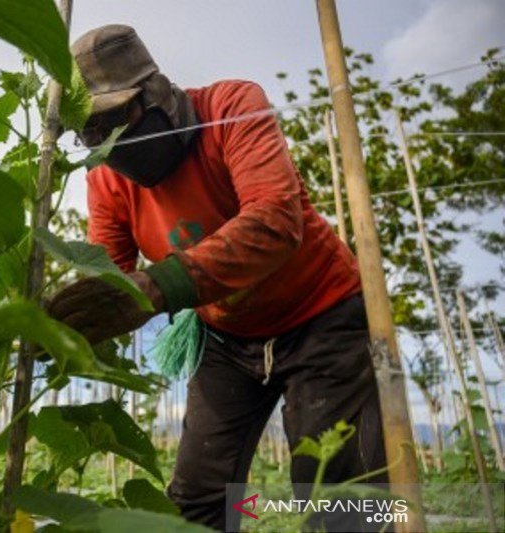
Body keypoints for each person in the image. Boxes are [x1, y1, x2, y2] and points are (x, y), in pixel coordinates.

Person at [48, 24, 389, 531]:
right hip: (228, 338)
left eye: (115, 120)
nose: (105, 144)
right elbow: (107, 275)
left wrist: (159, 286)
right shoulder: (106, 179)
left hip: (324, 316)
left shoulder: (231, 107)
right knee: (197, 495)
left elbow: (275, 221)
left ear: (157, 92)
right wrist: (59, 322)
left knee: (336, 494)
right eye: (88, 133)